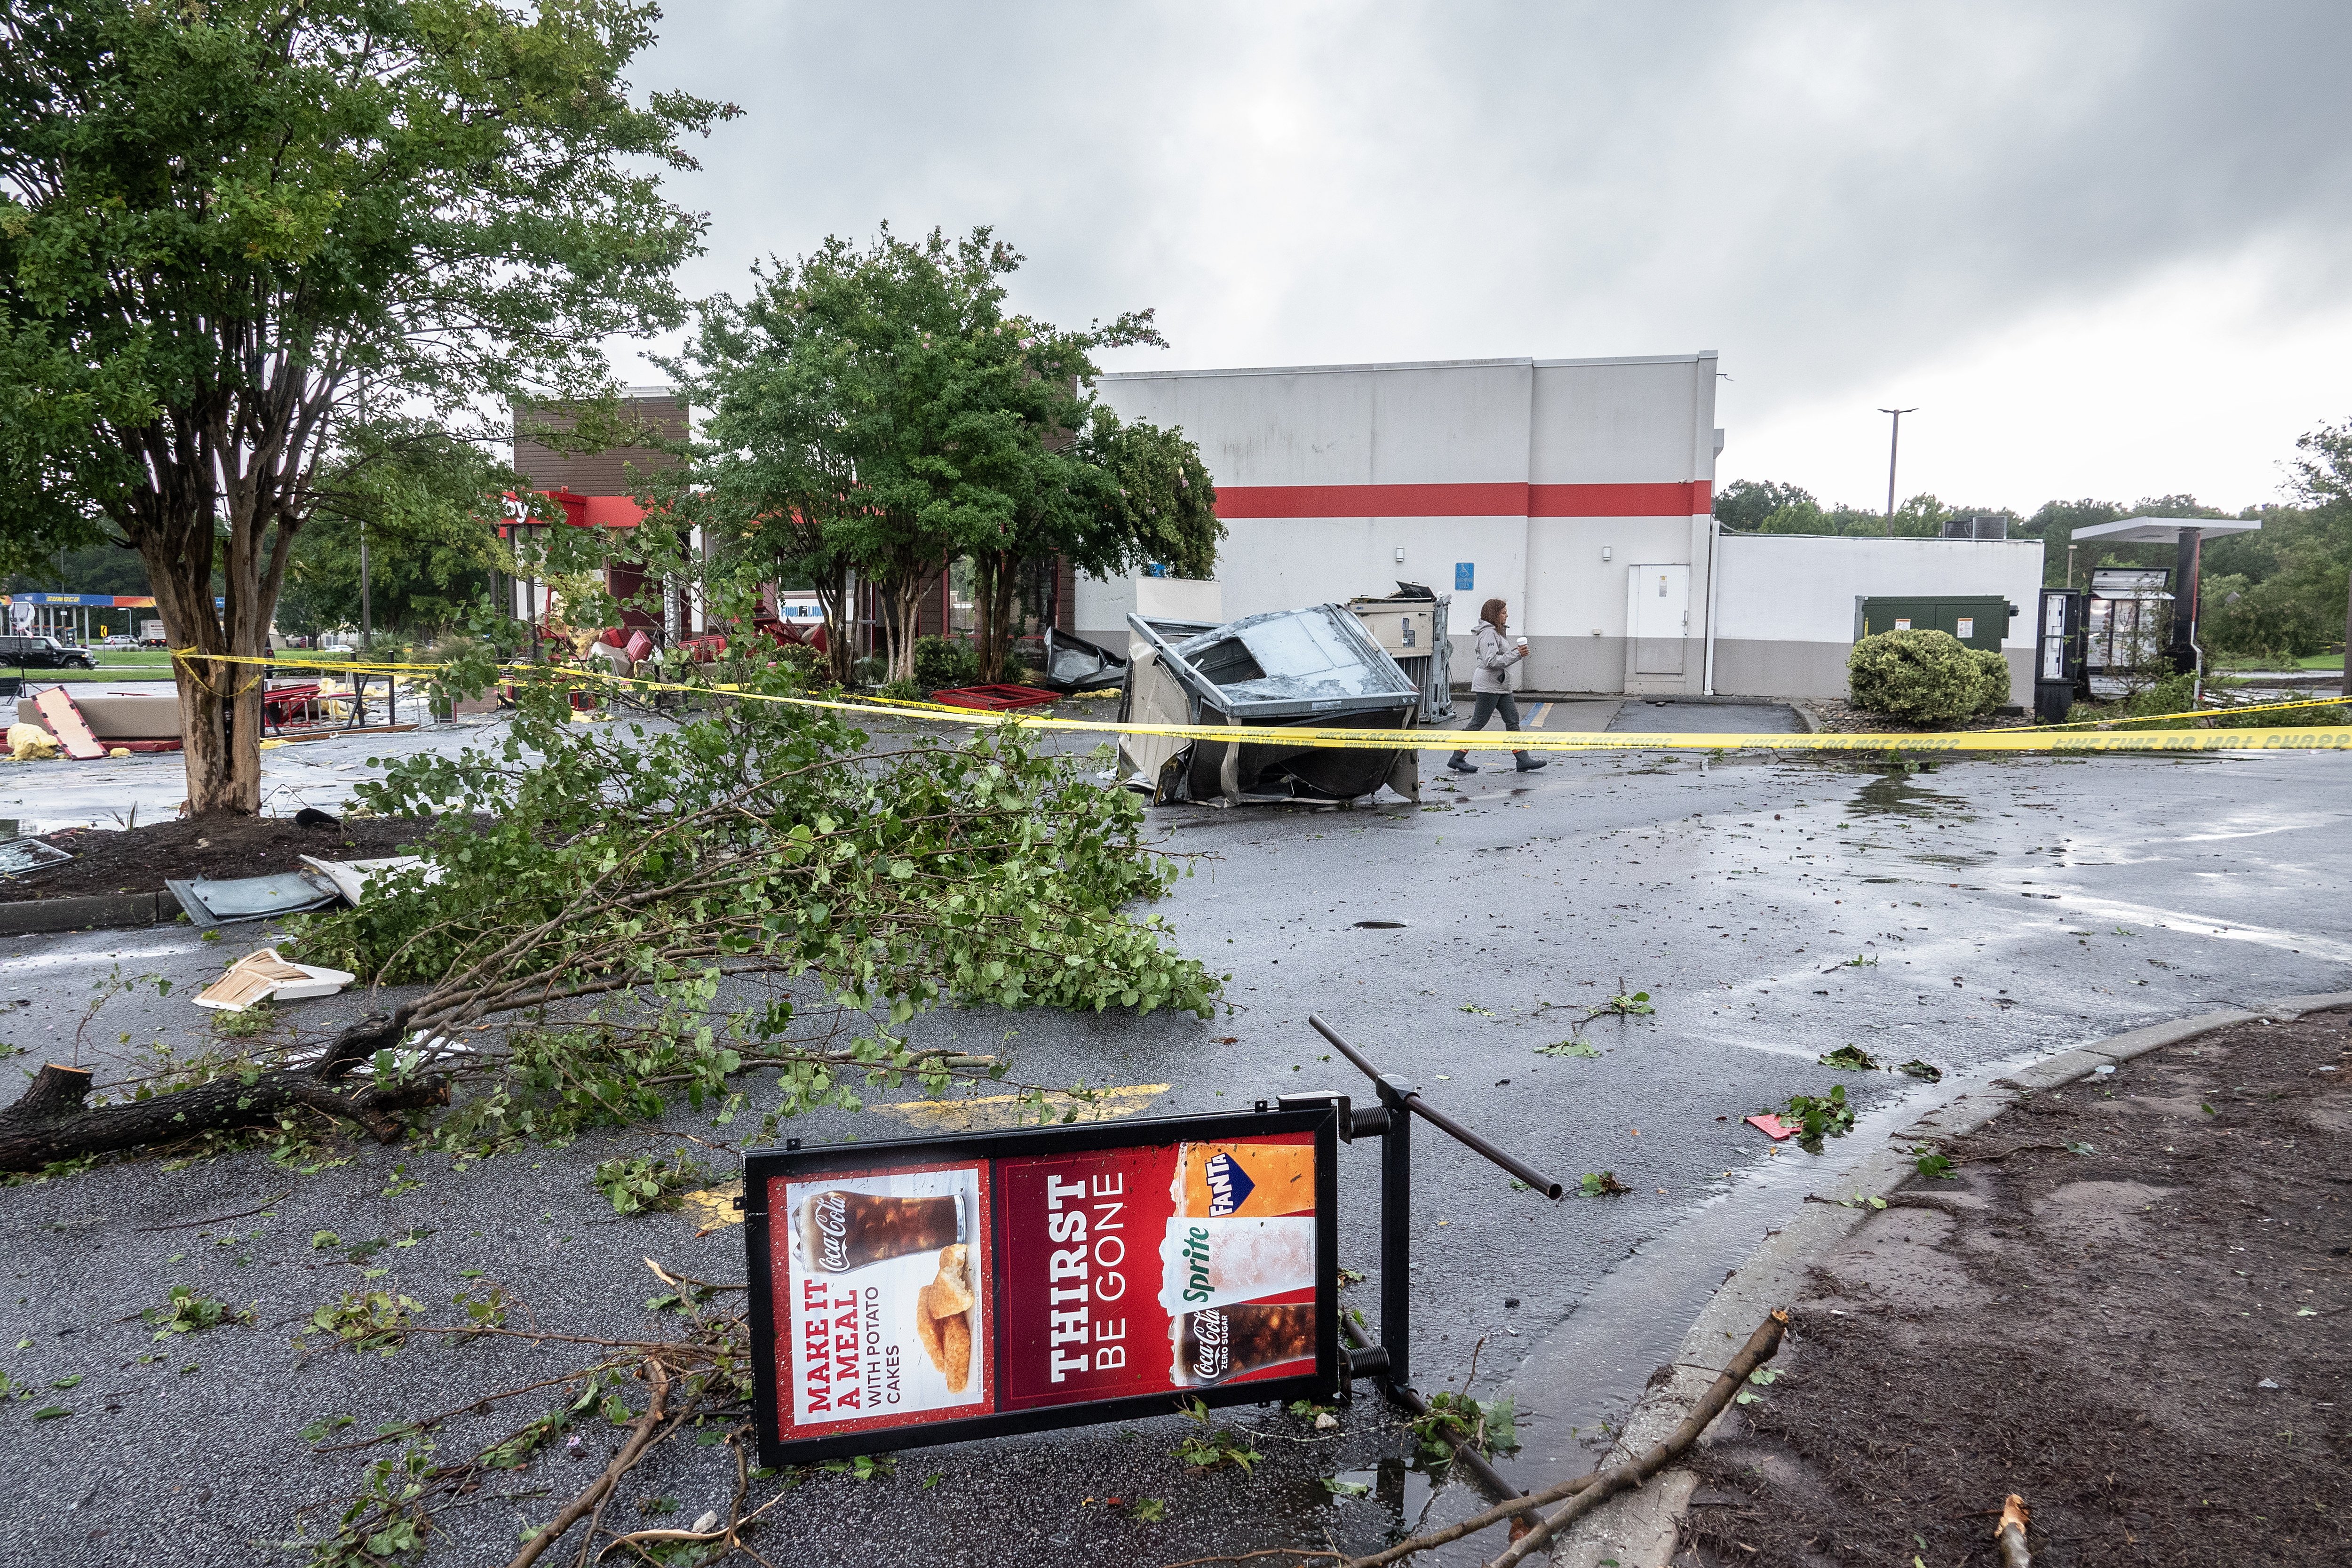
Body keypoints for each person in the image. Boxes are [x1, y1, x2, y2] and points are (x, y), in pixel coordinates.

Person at [1448, 597, 1546, 774]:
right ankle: (1457, 758)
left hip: (1501, 686)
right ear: (1494, 614)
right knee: (1478, 722)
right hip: (1488, 685)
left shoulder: (1497, 632)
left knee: (1513, 721)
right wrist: (1517, 655)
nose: (1507, 615)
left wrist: (1516, 652)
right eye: (1503, 612)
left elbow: (1502, 656)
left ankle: (1523, 760)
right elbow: (1491, 661)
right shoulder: (1488, 634)